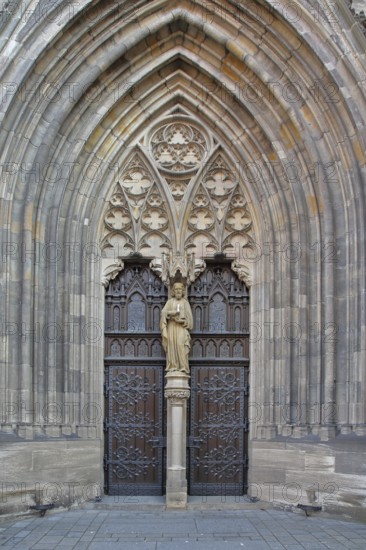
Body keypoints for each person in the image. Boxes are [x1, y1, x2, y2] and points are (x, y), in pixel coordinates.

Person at [160, 282, 193, 373]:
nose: (178, 291)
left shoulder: (185, 303)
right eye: (176, 289)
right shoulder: (170, 302)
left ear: (183, 291)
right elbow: (163, 313)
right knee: (172, 346)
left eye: (180, 289)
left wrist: (182, 321)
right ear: (173, 291)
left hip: (181, 328)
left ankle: (183, 367)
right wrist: (172, 313)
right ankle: (172, 366)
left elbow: (190, 320)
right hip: (171, 327)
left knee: (180, 345)